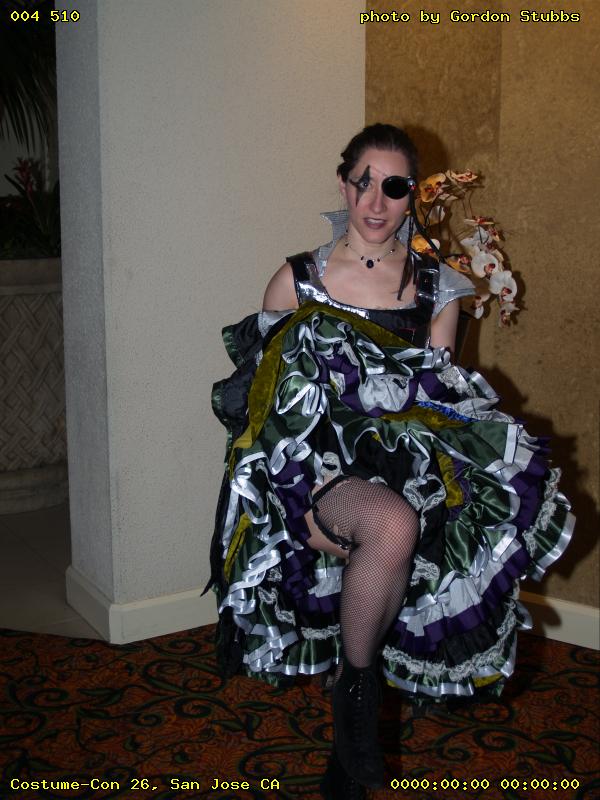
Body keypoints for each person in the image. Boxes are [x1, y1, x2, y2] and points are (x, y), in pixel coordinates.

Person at [207, 124, 574, 800]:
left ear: (413, 195)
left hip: (405, 470)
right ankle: (358, 696)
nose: (377, 202)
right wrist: (293, 511)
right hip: (317, 476)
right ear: (344, 183)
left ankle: (347, 743)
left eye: (395, 186)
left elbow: (440, 407)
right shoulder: (297, 282)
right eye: (364, 182)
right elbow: (262, 418)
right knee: (392, 525)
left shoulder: (439, 290)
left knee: (406, 531)